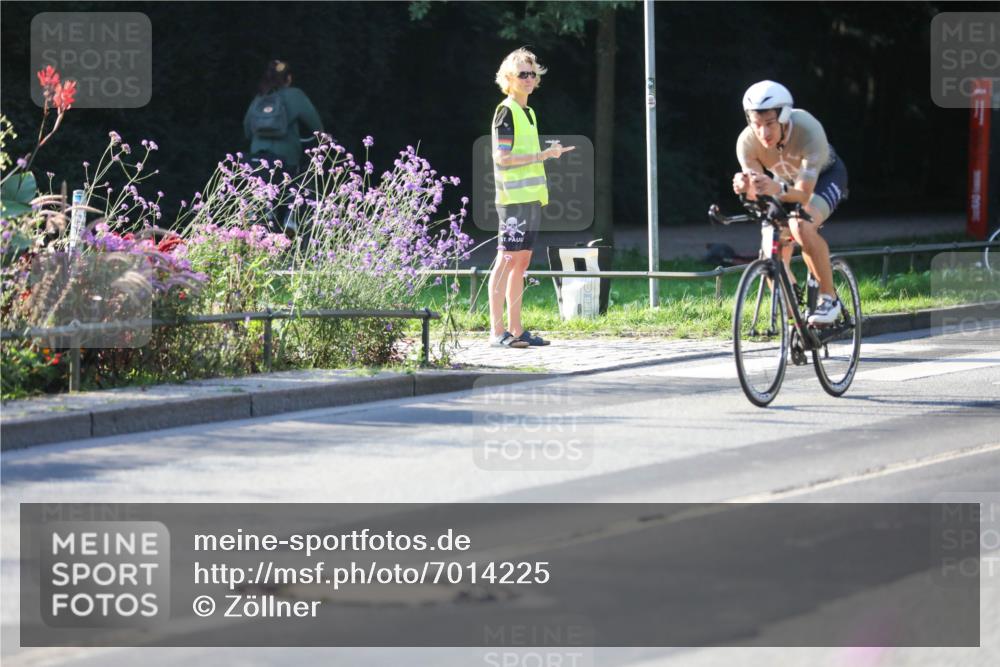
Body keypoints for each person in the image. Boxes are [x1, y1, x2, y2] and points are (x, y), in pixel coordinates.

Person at [732, 80, 849, 325]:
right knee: (769, 246)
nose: (763, 133)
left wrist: (776, 188)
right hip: (783, 183)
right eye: (757, 125)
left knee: (800, 226)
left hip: (824, 178)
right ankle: (794, 310)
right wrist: (746, 189)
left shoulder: (808, 129)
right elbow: (760, 194)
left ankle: (830, 299)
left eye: (770, 124)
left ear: (784, 117)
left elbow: (804, 195)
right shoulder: (746, 142)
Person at [488, 48, 575, 348]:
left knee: (521, 264)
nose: (528, 79)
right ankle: (497, 332)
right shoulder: (506, 111)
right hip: (512, 200)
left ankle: (516, 330)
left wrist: (548, 155)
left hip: (531, 199)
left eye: (532, 74)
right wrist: (542, 154)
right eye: (522, 74)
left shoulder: (529, 112)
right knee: (506, 259)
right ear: (509, 79)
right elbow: (502, 159)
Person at [244, 60, 323, 235]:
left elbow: (247, 128)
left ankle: (259, 219)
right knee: (292, 183)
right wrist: (322, 135)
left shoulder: (261, 97)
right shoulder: (295, 95)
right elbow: (314, 123)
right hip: (286, 155)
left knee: (260, 187)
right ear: (288, 78)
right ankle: (290, 219)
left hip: (258, 154)